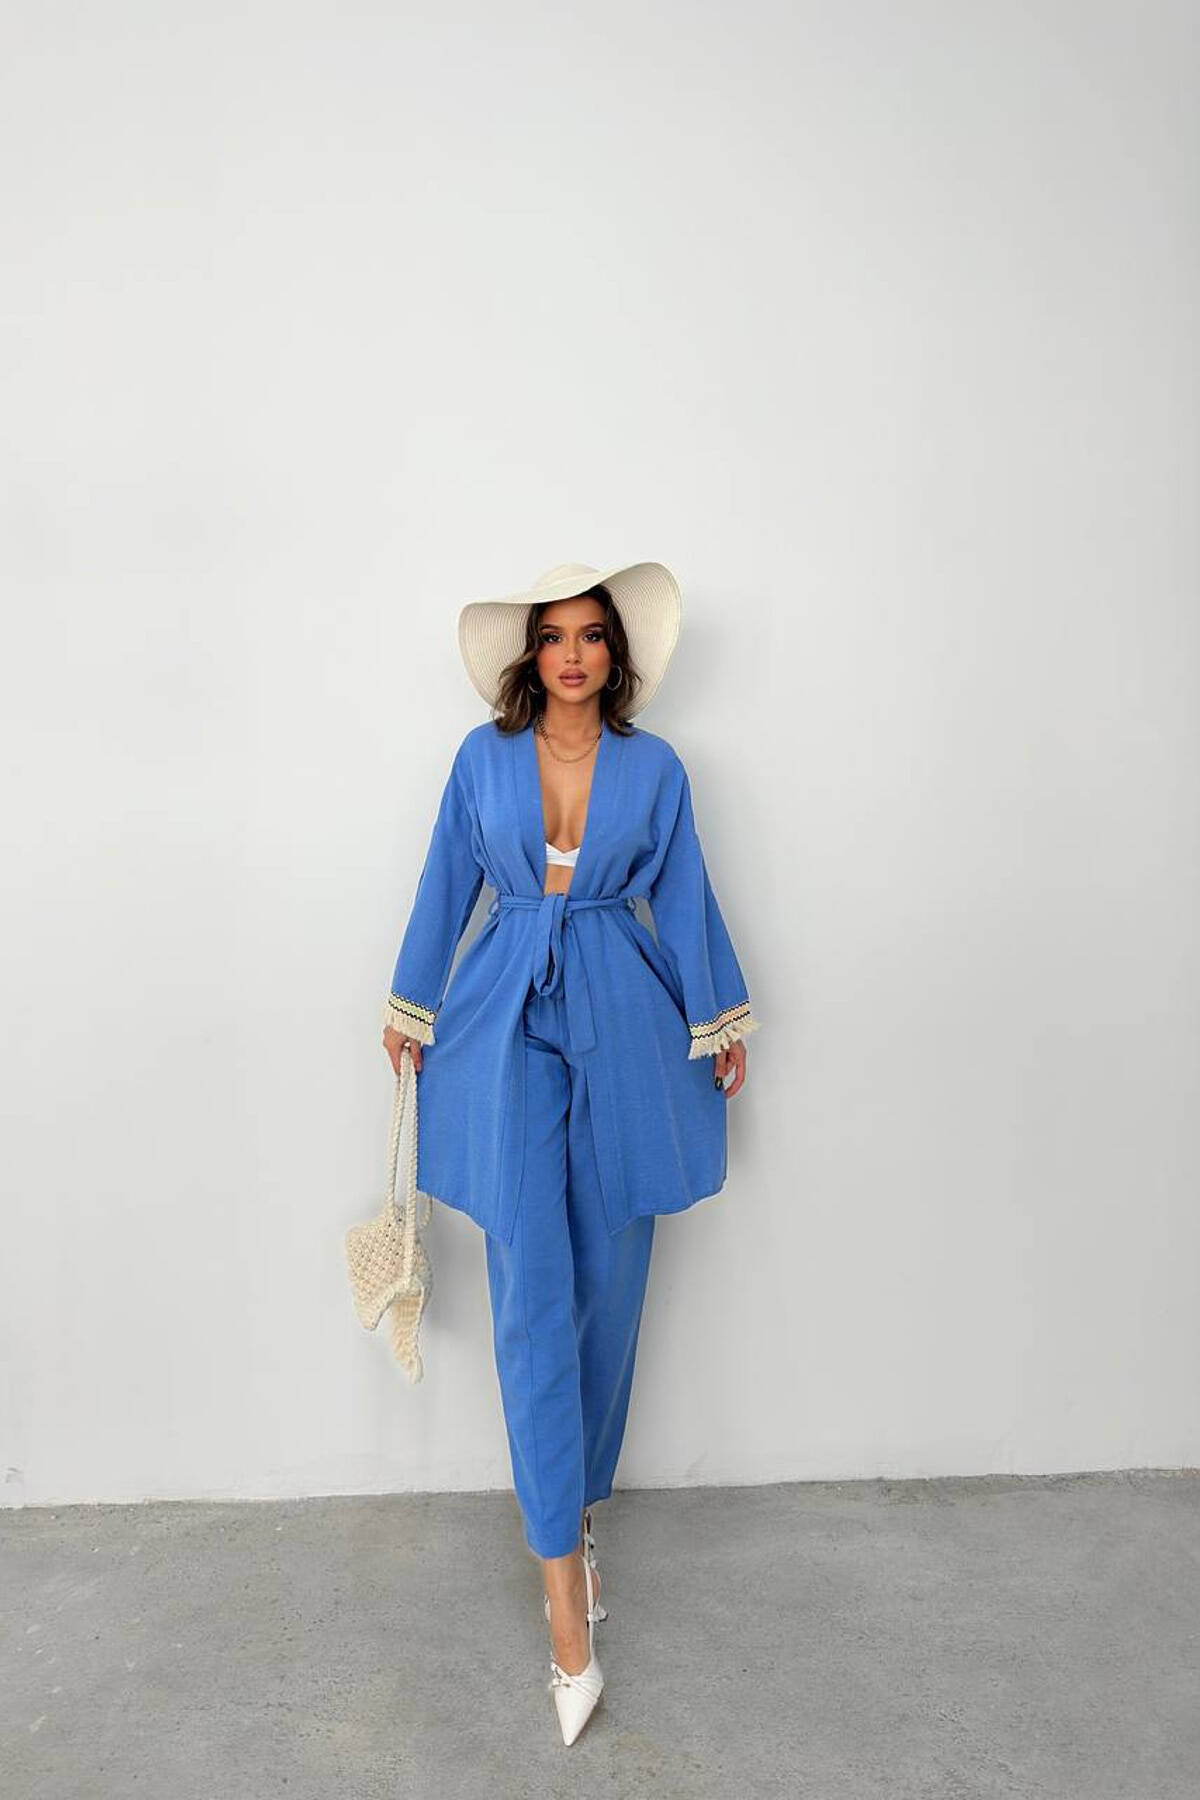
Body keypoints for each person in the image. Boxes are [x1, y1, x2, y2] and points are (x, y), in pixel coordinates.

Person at [380, 560, 759, 1744]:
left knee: (611, 1280)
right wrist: (411, 1004)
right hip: (505, 1014)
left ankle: (580, 1512)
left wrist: (718, 1016)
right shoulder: (481, 759)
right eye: (554, 637)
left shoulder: (656, 769)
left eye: (593, 636)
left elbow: (685, 897)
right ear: (529, 656)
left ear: (615, 653)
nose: (575, 655)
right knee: (530, 1289)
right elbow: (447, 882)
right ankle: (561, 1606)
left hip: (626, 1014)